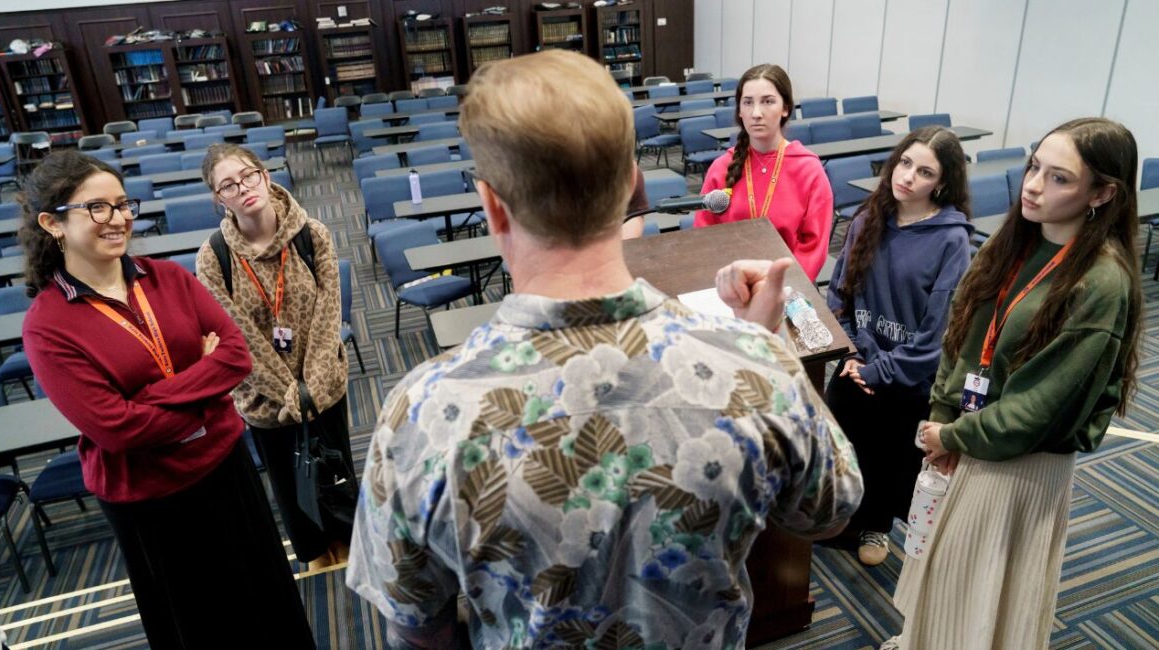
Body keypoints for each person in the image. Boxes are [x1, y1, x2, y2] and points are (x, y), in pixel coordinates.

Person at [346, 50, 862, 650]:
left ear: (492, 207)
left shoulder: (419, 412)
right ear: (631, 188)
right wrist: (763, 351)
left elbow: (417, 630)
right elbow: (829, 512)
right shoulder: (756, 366)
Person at [18, 151, 314, 649]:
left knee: (267, 602)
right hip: (150, 499)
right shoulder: (48, 327)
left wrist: (148, 398)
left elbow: (236, 357)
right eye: (98, 208)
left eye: (122, 204)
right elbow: (117, 429)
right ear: (53, 224)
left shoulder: (167, 277)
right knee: (199, 626)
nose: (118, 218)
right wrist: (203, 380)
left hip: (225, 466)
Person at [886, 117, 1142, 650]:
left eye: (1059, 178)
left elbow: (1038, 409)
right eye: (1034, 167)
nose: (1033, 185)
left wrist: (952, 436)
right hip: (970, 438)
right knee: (942, 580)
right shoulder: (1014, 241)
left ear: (1102, 194)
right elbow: (961, 336)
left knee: (977, 599)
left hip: (1019, 463)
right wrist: (942, 414)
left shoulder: (1101, 281)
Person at [195, 143, 354, 571]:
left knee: (336, 477)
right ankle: (316, 557)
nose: (243, 188)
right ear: (218, 198)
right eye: (228, 185)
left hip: (324, 388)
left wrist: (311, 388)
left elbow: (328, 315)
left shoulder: (311, 233)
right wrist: (288, 394)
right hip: (267, 403)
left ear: (265, 176)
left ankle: (348, 546)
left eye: (248, 176)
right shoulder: (213, 258)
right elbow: (238, 338)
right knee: (292, 486)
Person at [823, 126, 973, 566]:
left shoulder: (952, 240)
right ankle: (837, 518)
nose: (907, 176)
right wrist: (853, 355)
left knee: (888, 459)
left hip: (907, 377)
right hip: (858, 362)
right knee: (840, 445)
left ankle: (877, 524)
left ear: (941, 183)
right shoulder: (868, 219)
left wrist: (878, 371)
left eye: (925, 172)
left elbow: (938, 337)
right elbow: (839, 297)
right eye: (905, 163)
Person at [694, 64, 834, 281]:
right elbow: (704, 237)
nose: (756, 113)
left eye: (768, 101)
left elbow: (813, 247)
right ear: (739, 111)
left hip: (787, 285)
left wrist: (777, 286)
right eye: (748, 102)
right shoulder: (721, 168)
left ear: (785, 108)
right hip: (730, 284)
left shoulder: (809, 170)